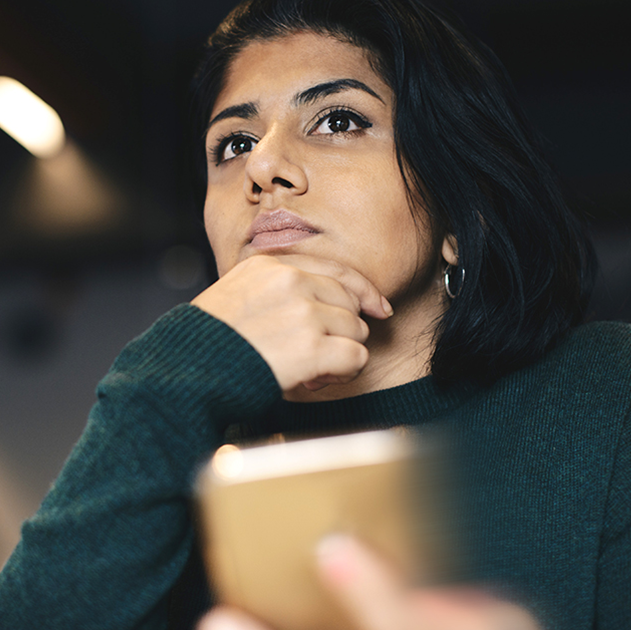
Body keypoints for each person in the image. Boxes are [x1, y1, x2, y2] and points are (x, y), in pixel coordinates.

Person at [0, 0, 629, 629]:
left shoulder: (608, 394)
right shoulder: (166, 438)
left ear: (458, 213)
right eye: (235, 143)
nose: (263, 166)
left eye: (337, 121)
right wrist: (164, 379)